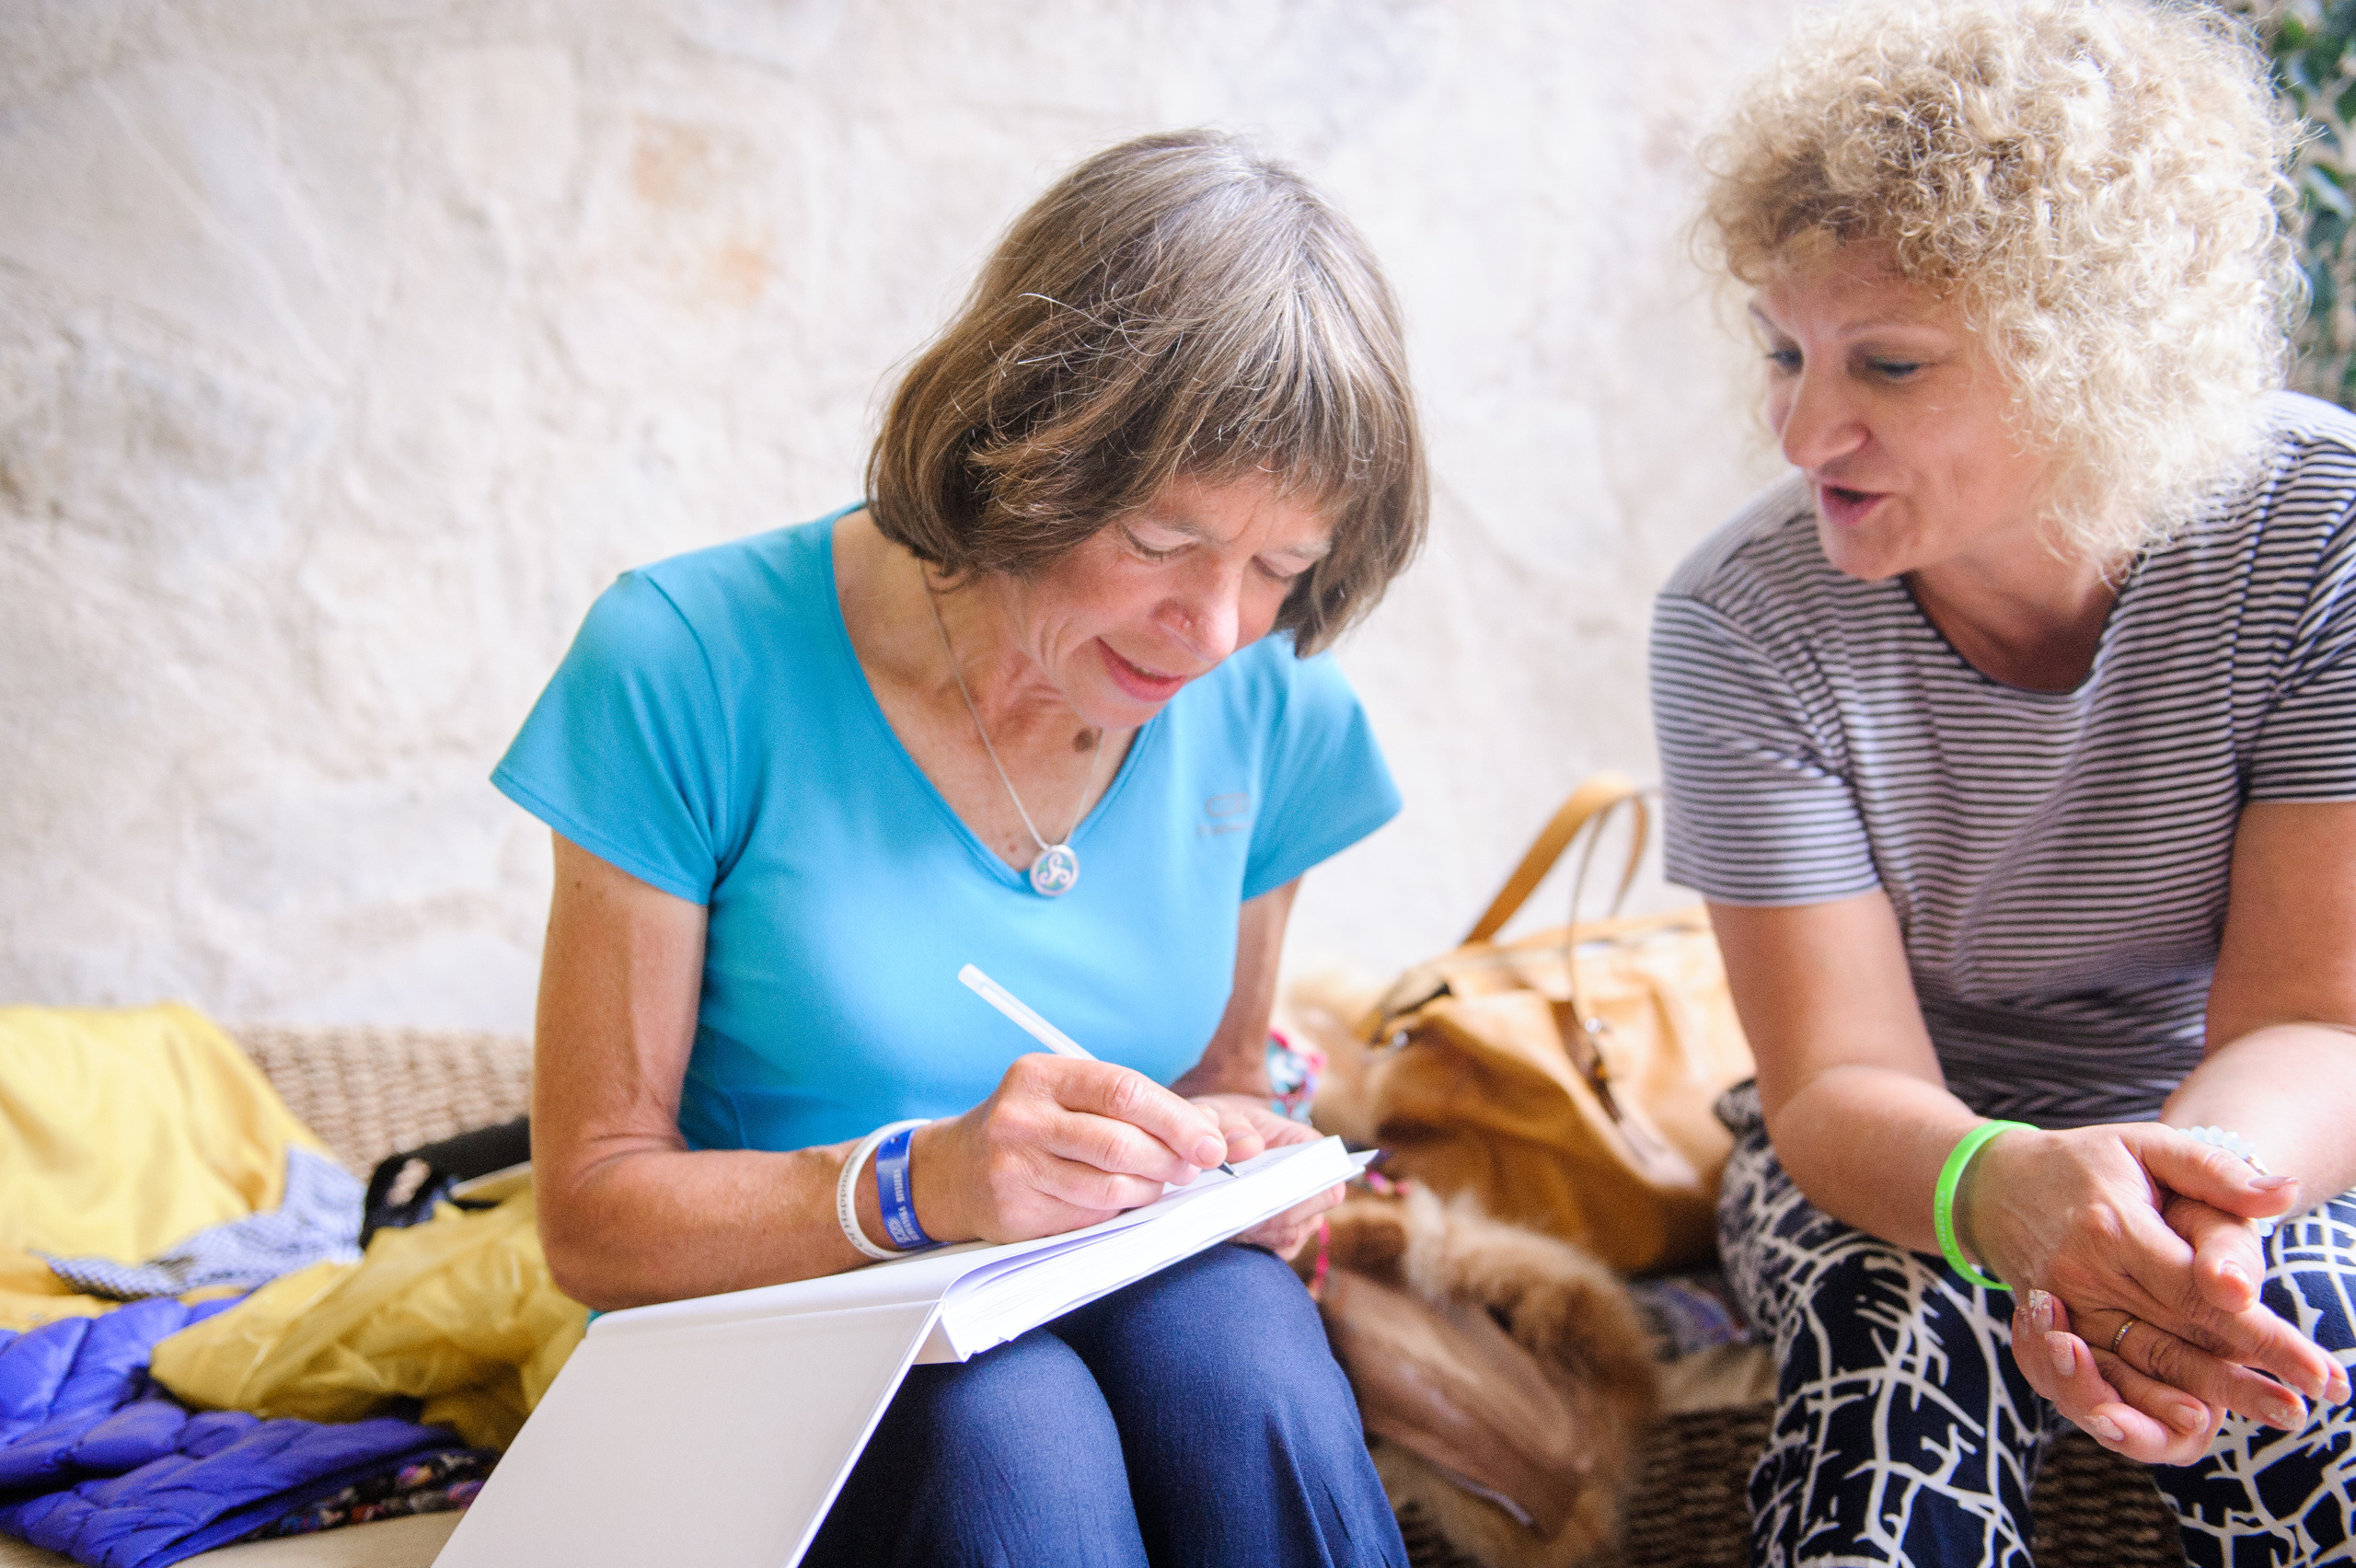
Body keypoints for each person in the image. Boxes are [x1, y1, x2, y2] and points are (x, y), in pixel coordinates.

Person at [491, 130, 1424, 1567]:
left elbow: (1224, 1075)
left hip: (1124, 1310)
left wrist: (1251, 1153)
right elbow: (596, 1220)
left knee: (1250, 1368)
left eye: (1280, 567)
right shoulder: (687, 661)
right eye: (1167, 540)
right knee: (1013, 1437)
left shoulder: (1273, 702)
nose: (1219, 626)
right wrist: (919, 1183)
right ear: (1028, 446)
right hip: (756, 1362)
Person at [1649, 2, 2356, 1563]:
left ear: (2090, 355)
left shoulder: (2324, 543)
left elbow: (2316, 1025)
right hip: (1901, 1144)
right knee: (1888, 1359)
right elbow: (1833, 1086)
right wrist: (2008, 1189)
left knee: (2298, 1345)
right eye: (1785, 347)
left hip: (2247, 1134)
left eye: (1888, 364)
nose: (1804, 423)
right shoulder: (1737, 625)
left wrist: (2185, 1228)